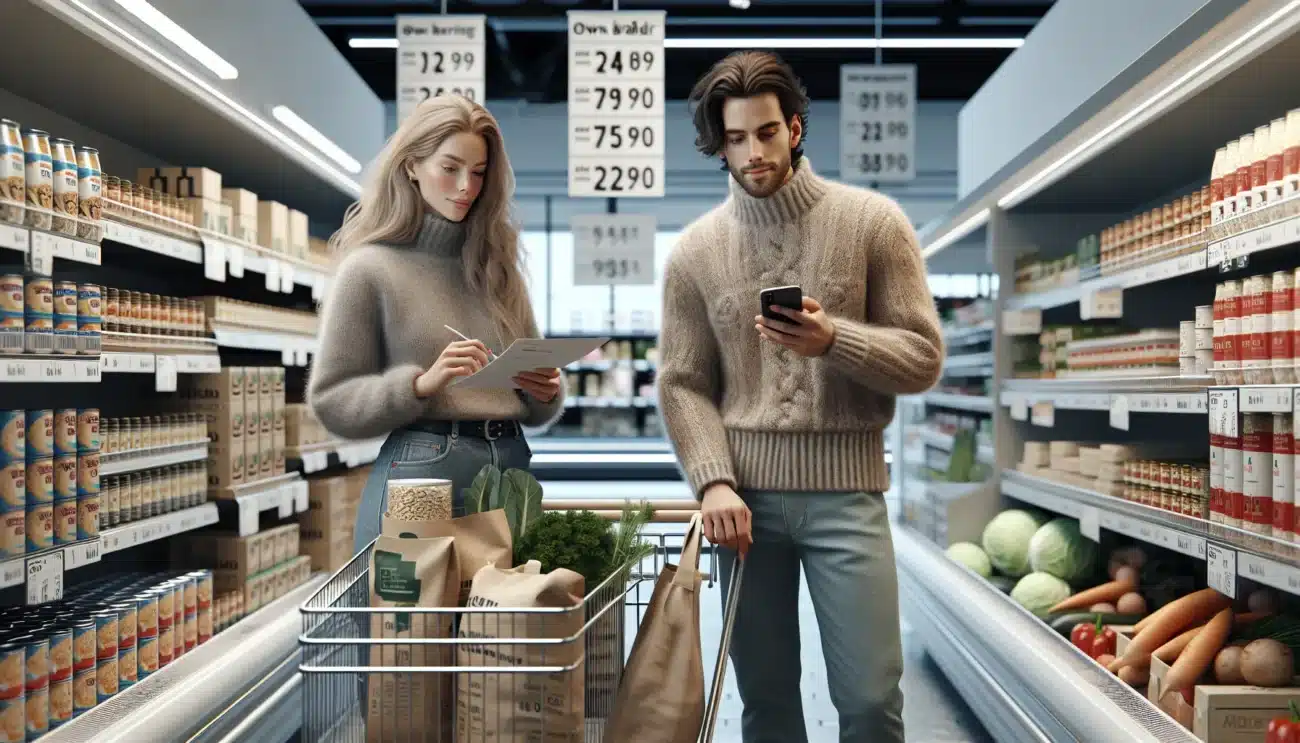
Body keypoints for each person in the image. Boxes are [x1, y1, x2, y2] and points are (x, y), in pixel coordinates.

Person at [658, 51, 943, 743]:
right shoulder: (693, 253)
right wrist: (713, 480)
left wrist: (834, 341)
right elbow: (682, 381)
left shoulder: (874, 224)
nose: (751, 153)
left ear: (794, 126)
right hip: (742, 505)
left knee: (872, 699)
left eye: (764, 132)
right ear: (716, 144)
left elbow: (923, 358)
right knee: (766, 701)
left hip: (848, 494)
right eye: (733, 138)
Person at [308, 95, 565, 552]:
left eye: (480, 172)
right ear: (411, 166)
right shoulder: (370, 268)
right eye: (450, 168)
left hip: (510, 466)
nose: (466, 186)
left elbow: (537, 401)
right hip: (425, 466)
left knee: (503, 621)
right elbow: (332, 401)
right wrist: (421, 385)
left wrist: (543, 390)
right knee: (418, 620)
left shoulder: (498, 269)